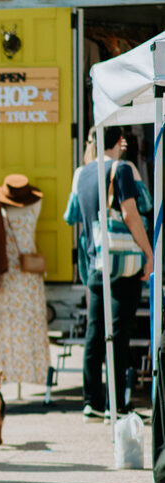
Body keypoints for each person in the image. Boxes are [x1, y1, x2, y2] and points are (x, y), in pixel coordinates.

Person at [69, 126, 153, 420]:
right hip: (121, 262)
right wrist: (149, 252)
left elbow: (76, 216)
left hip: (95, 261)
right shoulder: (123, 169)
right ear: (120, 141)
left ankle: (91, 400)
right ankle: (117, 404)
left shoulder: (82, 173)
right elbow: (131, 212)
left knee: (95, 332)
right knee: (118, 332)